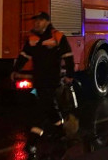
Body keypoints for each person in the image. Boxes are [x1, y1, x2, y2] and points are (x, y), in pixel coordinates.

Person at [11, 11, 75, 159]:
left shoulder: (58, 36)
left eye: (39, 21)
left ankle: (32, 142)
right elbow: (23, 56)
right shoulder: (33, 38)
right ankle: (60, 130)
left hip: (52, 80)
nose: (36, 23)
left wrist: (70, 75)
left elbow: (68, 56)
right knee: (49, 107)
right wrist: (15, 70)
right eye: (35, 21)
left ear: (47, 22)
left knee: (41, 110)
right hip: (39, 80)